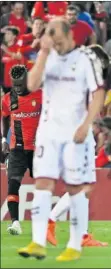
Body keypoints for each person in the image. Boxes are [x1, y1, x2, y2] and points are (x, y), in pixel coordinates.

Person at [17, 19, 105, 261]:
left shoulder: (85, 59)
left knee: (76, 187)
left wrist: (86, 124)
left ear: (70, 36)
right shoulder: (49, 57)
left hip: (75, 133)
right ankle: (37, 242)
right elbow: (31, 84)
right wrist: (43, 52)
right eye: (50, 37)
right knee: (42, 183)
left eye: (56, 37)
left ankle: (75, 245)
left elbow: (99, 92)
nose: (53, 42)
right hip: (48, 132)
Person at [46, 44, 111, 249]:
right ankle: (51, 219)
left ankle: (82, 235)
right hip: (79, 134)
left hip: (79, 132)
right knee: (84, 186)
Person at [1, 65, 42, 235]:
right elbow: (4, 118)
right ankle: (15, 223)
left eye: (20, 84)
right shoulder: (7, 99)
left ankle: (45, 221)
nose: (17, 88)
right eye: (15, 85)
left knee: (43, 184)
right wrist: (4, 138)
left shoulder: (40, 95)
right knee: (13, 184)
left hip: (38, 149)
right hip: (16, 149)